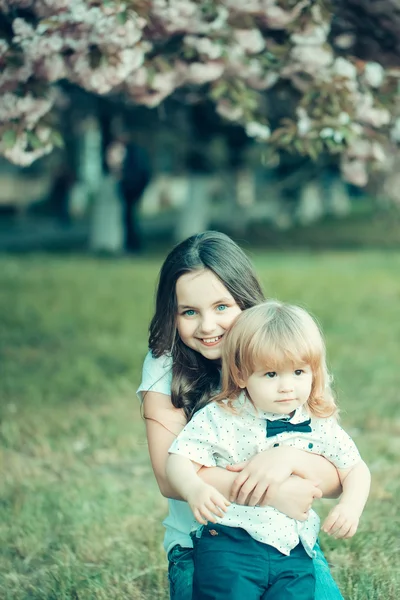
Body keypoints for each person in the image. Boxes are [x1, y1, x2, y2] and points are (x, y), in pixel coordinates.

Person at [137, 231, 347, 600]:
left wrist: (289, 457)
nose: (207, 326)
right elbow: (169, 479)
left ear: (247, 301)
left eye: (222, 307)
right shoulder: (164, 366)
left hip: (283, 544)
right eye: (189, 312)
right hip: (204, 543)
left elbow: (337, 476)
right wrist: (274, 492)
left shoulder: (283, 360)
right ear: (173, 315)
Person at [166, 300, 371, 600]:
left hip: (294, 550)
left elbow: (354, 468)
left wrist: (351, 506)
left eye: (299, 372)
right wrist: (193, 488)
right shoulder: (222, 416)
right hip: (229, 543)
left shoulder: (317, 421)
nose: (287, 386)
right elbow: (179, 458)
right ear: (240, 375)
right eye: (272, 375)